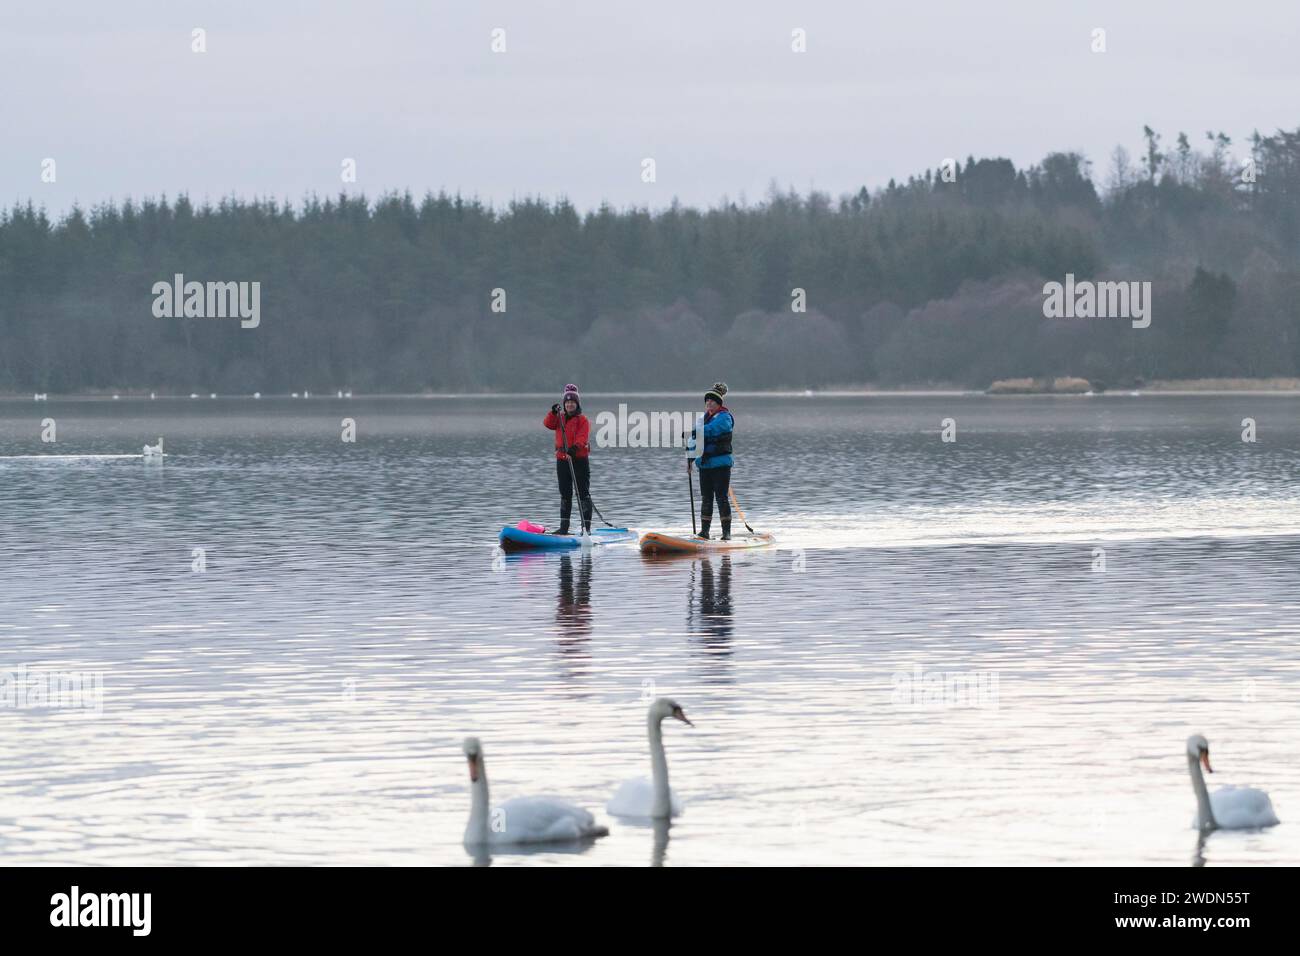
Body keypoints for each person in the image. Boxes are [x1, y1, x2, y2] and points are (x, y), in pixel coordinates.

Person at [543, 384, 592, 535]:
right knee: (565, 494)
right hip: (562, 460)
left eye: (573, 402)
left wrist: (574, 449)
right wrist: (552, 412)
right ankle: (564, 528)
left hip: (579, 460)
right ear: (564, 404)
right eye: (567, 402)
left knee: (582, 493)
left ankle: (587, 529)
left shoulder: (583, 420)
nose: (570, 404)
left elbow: (582, 437)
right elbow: (548, 424)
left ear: (577, 404)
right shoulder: (559, 418)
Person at [691, 382, 734, 540]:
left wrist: (696, 431)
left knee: (721, 498)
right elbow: (694, 441)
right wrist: (689, 460)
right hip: (705, 465)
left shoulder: (725, 417)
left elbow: (714, 429)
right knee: (706, 498)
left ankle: (726, 534)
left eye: (712, 401)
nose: (709, 403)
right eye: (707, 401)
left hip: (721, 464)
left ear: (719, 403)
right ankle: (704, 532)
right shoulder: (702, 419)